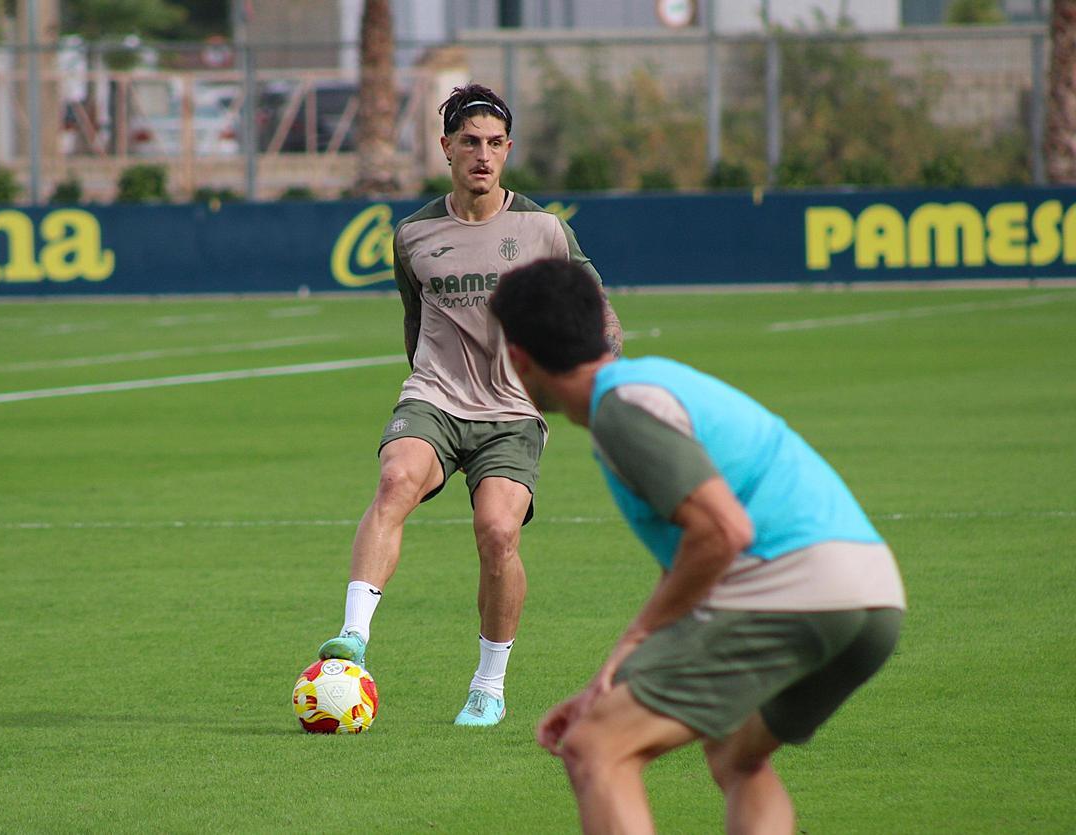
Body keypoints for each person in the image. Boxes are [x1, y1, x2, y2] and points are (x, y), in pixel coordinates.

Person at [489, 258, 906, 833]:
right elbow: (694, 558)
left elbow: (724, 533)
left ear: (518, 359)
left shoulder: (622, 411)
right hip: (873, 597)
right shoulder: (653, 382)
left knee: (595, 747)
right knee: (737, 752)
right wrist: (612, 672)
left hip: (792, 588)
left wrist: (634, 640)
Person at [317, 84, 623, 727]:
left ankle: (489, 684)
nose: (482, 155)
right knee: (396, 476)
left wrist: (607, 383)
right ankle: (352, 640)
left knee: (497, 533)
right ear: (446, 149)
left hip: (513, 411)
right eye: (468, 142)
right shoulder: (415, 235)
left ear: (508, 150)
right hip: (435, 396)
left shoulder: (544, 229)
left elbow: (596, 311)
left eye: (493, 143)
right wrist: (424, 390)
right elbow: (414, 320)